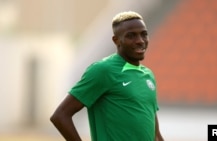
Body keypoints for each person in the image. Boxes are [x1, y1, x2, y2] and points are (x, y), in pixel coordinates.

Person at [50, 11, 164, 141]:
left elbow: (155, 134)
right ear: (116, 40)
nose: (140, 41)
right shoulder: (103, 70)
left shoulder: (148, 75)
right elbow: (60, 116)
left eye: (144, 34)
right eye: (131, 36)